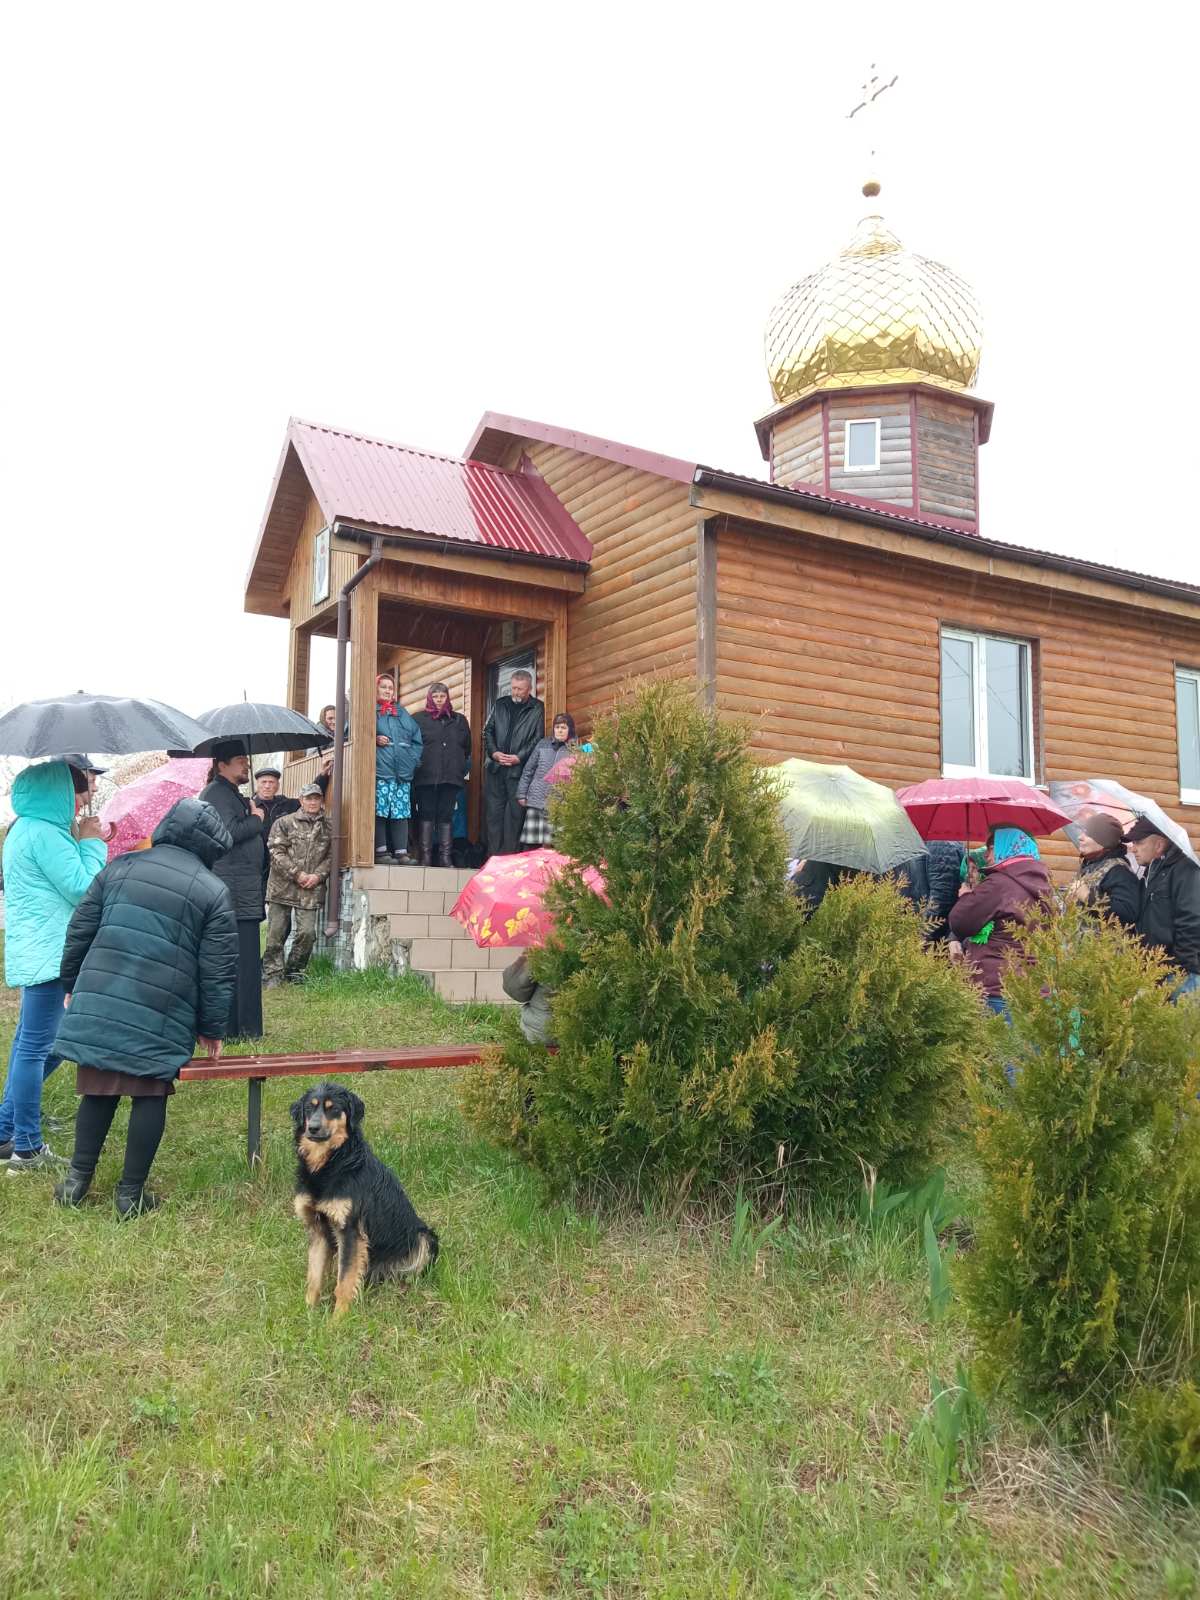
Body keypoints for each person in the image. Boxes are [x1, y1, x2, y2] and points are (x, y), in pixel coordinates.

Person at [52, 798, 238, 1216]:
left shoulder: (119, 867)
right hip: (162, 1007)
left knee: (98, 1089)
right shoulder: (213, 891)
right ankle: (129, 1195)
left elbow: (79, 930)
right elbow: (217, 969)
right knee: (149, 1093)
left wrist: (72, 983)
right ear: (211, 845)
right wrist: (211, 1027)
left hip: (104, 994)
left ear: (168, 826)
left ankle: (76, 1183)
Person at [0, 762, 108, 1172]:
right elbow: (85, 889)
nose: (82, 803)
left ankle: (5, 1127)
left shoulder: (26, 828)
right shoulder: (46, 834)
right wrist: (92, 842)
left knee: (33, 1046)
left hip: (38, 950)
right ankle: (25, 1146)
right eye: (78, 795)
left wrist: (79, 839)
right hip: (51, 954)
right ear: (60, 793)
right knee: (41, 1048)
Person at [948, 827, 1053, 1021]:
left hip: (997, 984)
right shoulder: (1043, 883)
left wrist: (967, 896)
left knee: (998, 1048)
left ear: (1007, 848)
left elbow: (959, 922)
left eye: (991, 848)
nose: (986, 855)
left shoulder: (1000, 883)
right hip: (1031, 984)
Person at [198, 743, 266, 1039]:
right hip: (233, 890)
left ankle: (246, 1026)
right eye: (240, 761)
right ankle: (236, 1028)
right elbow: (228, 833)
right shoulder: (215, 793)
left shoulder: (229, 793)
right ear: (221, 764)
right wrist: (257, 820)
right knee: (238, 962)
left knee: (247, 962)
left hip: (243, 888)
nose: (246, 766)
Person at [263, 784, 332, 988]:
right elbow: (276, 851)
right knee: (276, 933)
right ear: (300, 800)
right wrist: (297, 873)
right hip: (282, 886)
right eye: (308, 798)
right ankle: (272, 974)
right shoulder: (284, 823)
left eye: (316, 798)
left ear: (321, 801)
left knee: (307, 934)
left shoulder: (329, 826)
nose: (312, 802)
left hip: (310, 888)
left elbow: (332, 856)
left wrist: (318, 876)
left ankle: (294, 972)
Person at [1128, 817, 1200, 999]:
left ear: (1159, 844)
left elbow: (1191, 920)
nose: (1133, 848)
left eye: (1139, 842)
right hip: (1156, 971)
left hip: (1179, 975)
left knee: (1177, 1027)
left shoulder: (1186, 870)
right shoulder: (1151, 872)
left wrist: (1181, 968)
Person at [483, 670, 545, 857]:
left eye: (520, 689)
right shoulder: (500, 704)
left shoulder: (537, 708)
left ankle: (509, 858)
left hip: (518, 770)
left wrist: (519, 757)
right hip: (496, 768)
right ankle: (493, 858)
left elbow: (537, 738)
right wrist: (494, 753)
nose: (516, 692)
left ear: (529, 688)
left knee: (515, 816)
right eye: (513, 688)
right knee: (494, 814)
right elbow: (488, 731)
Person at [412, 682, 471, 867]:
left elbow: (467, 748)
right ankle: (426, 857)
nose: (439, 700)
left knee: (446, 816)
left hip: (451, 776)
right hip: (426, 777)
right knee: (426, 814)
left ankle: (445, 857)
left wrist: (460, 768)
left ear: (447, 697)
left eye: (442, 696)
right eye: (435, 696)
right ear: (430, 698)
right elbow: (413, 745)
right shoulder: (418, 719)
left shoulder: (459, 720)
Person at [373, 672, 423, 865]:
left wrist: (412, 762)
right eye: (383, 687)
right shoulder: (371, 711)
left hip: (402, 773)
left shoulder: (401, 712)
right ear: (376, 688)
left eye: (390, 688)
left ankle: (401, 853)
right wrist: (374, 740)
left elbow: (417, 740)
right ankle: (381, 852)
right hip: (381, 771)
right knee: (381, 810)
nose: (387, 690)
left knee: (401, 812)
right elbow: (355, 734)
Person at [1066, 814, 1141, 929]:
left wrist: (1088, 897)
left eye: (1088, 834)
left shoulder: (1119, 872)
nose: (1080, 837)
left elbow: (1128, 913)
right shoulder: (1090, 863)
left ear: (1103, 842)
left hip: (1103, 946)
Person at [517, 712, 577, 848]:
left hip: (560, 802)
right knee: (538, 844)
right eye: (557, 727)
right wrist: (521, 793)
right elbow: (529, 770)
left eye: (563, 727)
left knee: (558, 843)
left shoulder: (575, 750)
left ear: (570, 730)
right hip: (538, 799)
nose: (560, 731)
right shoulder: (543, 744)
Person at [501, 951, 557, 1045]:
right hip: (582, 1034)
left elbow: (516, 991)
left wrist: (526, 959)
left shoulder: (544, 952)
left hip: (541, 1033)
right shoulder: (587, 948)